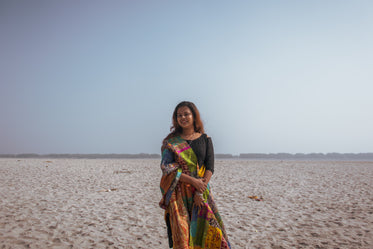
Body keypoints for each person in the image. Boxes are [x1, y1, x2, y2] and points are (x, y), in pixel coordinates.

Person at [159, 101, 231, 249]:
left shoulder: (205, 139)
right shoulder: (171, 142)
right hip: (179, 194)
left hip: (201, 193)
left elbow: (210, 166)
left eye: (186, 114)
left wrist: (200, 190)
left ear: (194, 116)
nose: (183, 117)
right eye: (179, 115)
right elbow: (167, 168)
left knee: (208, 232)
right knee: (182, 233)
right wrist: (193, 181)